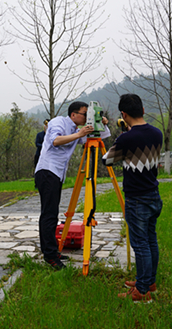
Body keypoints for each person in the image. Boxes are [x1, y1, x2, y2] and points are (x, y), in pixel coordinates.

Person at [35, 102, 110, 270]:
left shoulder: (77, 130)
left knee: (52, 213)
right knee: (49, 214)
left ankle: (53, 250)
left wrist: (101, 123)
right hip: (47, 171)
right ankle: (50, 255)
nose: (87, 118)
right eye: (85, 114)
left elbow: (99, 137)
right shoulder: (58, 122)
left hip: (56, 173)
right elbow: (55, 140)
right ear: (74, 114)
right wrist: (79, 134)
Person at [102, 94, 163, 303]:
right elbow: (143, 152)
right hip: (154, 195)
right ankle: (149, 282)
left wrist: (123, 137)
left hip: (137, 199)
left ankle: (142, 291)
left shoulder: (126, 139)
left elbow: (107, 160)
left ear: (123, 114)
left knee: (141, 244)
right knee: (150, 240)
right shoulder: (157, 133)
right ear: (143, 110)